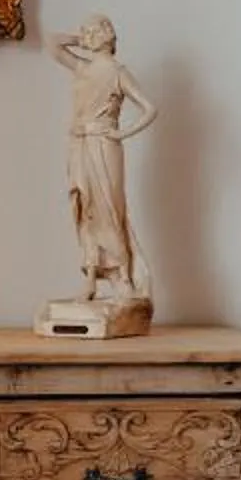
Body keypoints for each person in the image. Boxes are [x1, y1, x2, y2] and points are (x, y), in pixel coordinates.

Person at [49, 16, 156, 305]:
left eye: (92, 31)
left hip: (104, 144)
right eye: (87, 31)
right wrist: (81, 39)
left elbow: (150, 108)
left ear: (106, 35)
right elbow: (52, 43)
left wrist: (121, 133)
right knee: (85, 210)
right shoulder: (82, 67)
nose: (88, 35)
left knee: (110, 210)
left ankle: (123, 278)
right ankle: (91, 279)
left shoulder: (118, 72)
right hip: (79, 143)